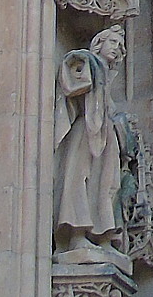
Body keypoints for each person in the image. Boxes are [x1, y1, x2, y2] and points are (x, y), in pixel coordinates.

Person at [54, 24, 136, 256]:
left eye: (121, 46)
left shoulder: (106, 76)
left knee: (108, 183)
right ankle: (77, 234)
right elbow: (72, 74)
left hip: (106, 134)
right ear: (99, 43)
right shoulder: (89, 62)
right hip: (86, 132)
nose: (118, 49)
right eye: (113, 43)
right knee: (79, 177)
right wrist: (79, 61)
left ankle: (104, 235)